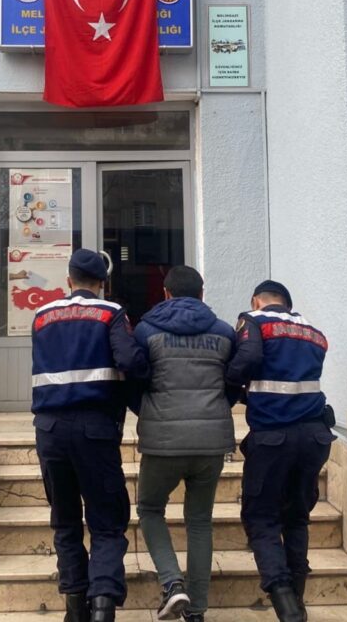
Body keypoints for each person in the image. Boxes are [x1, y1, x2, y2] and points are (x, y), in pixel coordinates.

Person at [31, 248, 151, 622]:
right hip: (95, 429)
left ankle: (75, 608)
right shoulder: (110, 313)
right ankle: (102, 606)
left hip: (49, 430)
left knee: (65, 520)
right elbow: (130, 360)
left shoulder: (41, 316)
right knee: (107, 521)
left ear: (68, 280)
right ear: (102, 283)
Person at [132, 266, 237, 622]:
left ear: (165, 293)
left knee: (149, 508)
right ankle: (197, 610)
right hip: (211, 442)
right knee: (199, 521)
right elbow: (233, 380)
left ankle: (173, 584)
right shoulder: (224, 333)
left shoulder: (146, 331)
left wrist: (146, 410)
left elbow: (136, 378)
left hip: (163, 441)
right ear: (202, 295)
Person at [226, 280, 335, 622]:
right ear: (288, 303)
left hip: (274, 437)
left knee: (262, 519)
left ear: (257, 300)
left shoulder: (253, 321)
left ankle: (286, 604)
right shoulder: (315, 333)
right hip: (315, 436)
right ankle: (297, 600)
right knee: (297, 517)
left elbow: (249, 359)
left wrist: (229, 385)